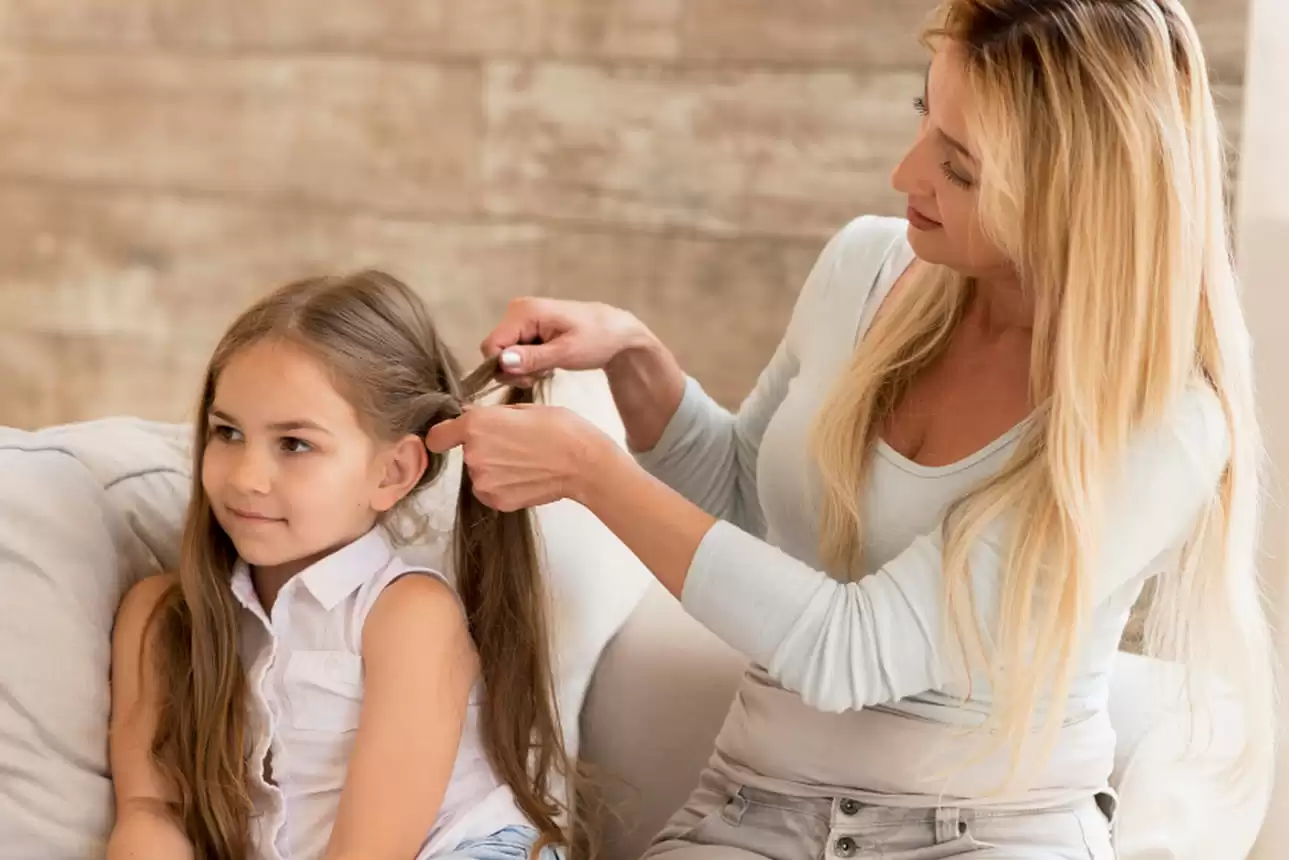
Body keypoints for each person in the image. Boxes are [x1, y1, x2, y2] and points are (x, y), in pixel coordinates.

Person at [425, 0, 1276, 857]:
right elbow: (748, 506)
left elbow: (850, 652)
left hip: (986, 837)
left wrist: (594, 474)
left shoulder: (1160, 423)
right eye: (924, 116)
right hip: (754, 811)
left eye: (962, 168)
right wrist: (634, 358)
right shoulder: (868, 268)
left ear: (1077, 197)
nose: (907, 174)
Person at [107, 272, 576, 860]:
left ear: (392, 473)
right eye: (228, 432)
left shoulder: (407, 618)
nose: (246, 477)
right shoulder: (161, 617)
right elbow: (151, 812)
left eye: (294, 444)